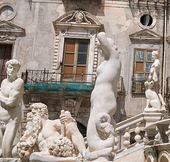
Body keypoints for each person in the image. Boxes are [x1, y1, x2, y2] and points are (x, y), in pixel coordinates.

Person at [86, 32, 121, 161]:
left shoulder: (114, 58)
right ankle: (100, 154)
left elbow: (100, 35)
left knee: (93, 137)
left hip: (104, 101)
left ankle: (100, 157)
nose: (100, 50)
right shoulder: (107, 62)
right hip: (100, 101)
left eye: (101, 48)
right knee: (93, 137)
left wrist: (101, 36)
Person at [16, 103, 85, 160]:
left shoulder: (52, 124)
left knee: (71, 125)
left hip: (57, 154)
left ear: (42, 113)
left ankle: (84, 154)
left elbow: (71, 127)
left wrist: (70, 120)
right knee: (34, 156)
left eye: (34, 113)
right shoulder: (35, 133)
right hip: (43, 156)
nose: (31, 116)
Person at [0, 59, 24, 158]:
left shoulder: (18, 82)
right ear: (6, 68)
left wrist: (0, 96)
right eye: (10, 68)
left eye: (15, 69)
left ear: (17, 71)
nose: (12, 70)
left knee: (6, 150)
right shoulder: (3, 82)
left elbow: (11, 102)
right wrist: (3, 98)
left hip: (12, 118)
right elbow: (6, 100)